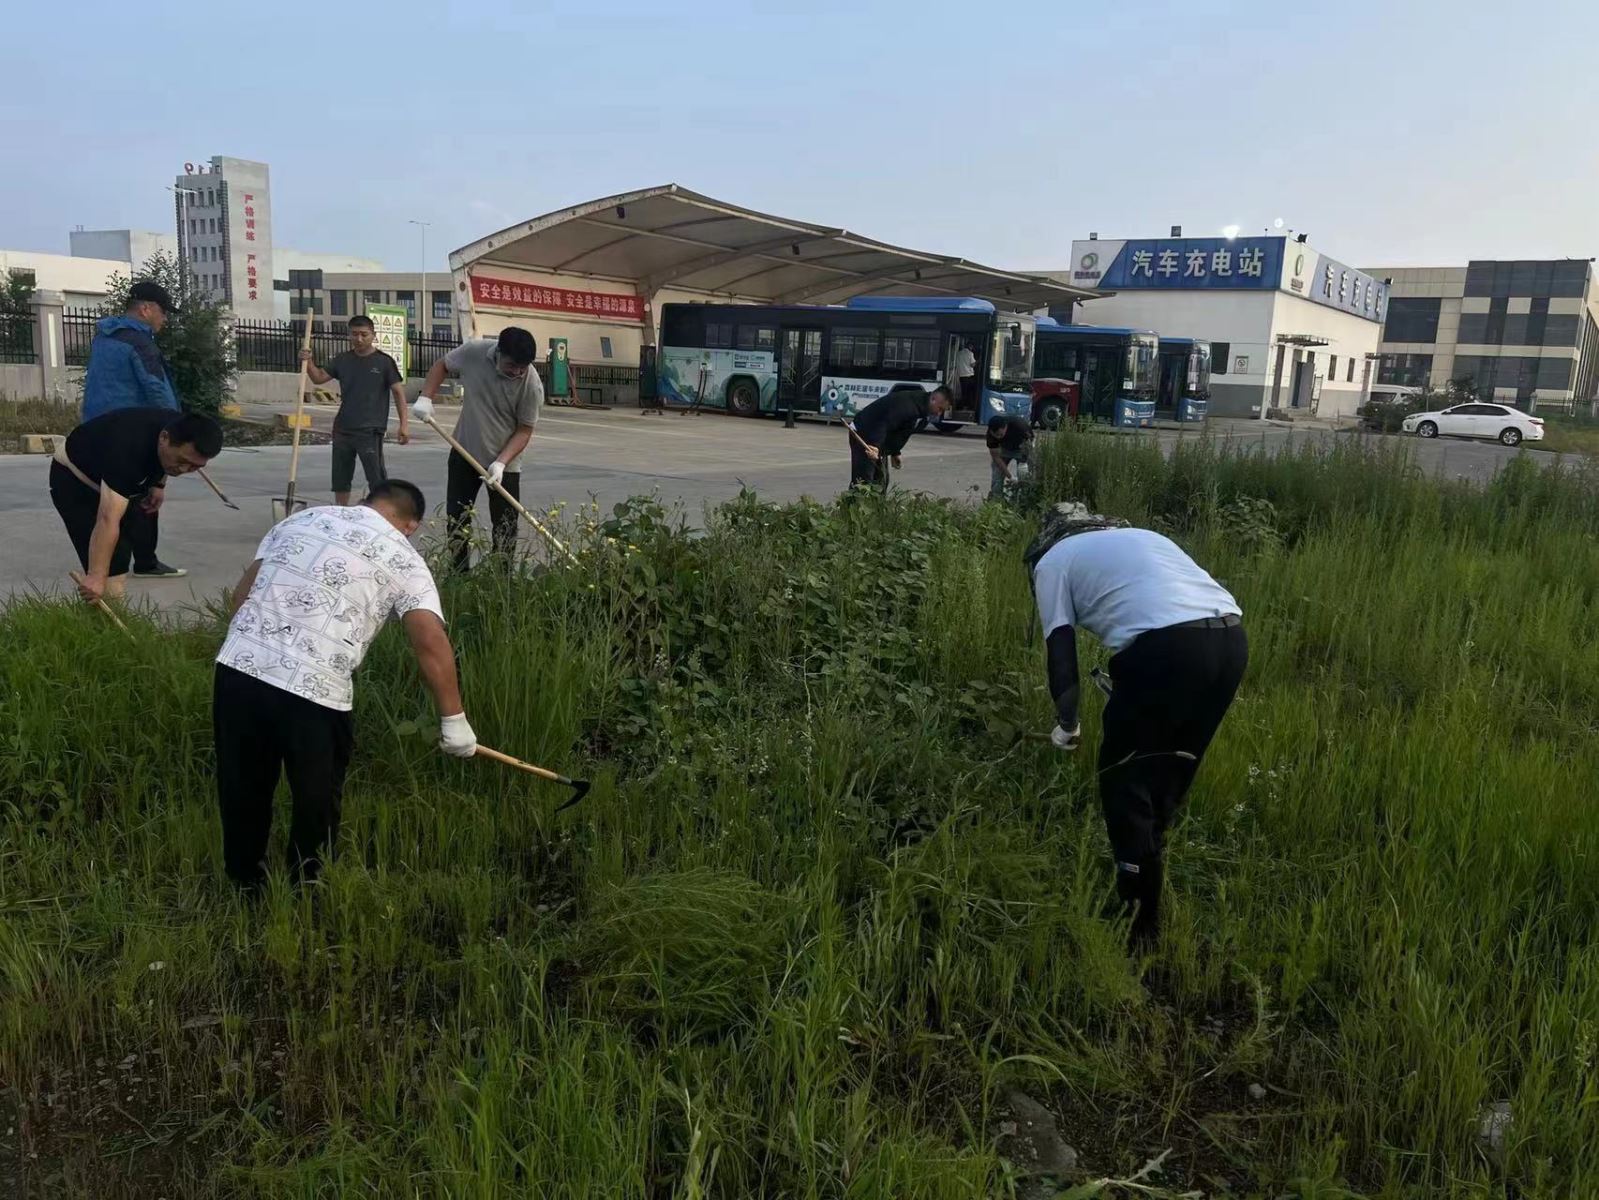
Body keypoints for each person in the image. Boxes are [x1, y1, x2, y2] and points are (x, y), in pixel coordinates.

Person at [213, 479, 479, 888]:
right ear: (411, 525)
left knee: (242, 786)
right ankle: (308, 888)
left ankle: (244, 884)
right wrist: (453, 719)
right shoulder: (404, 556)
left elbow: (242, 595)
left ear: (364, 502)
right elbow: (428, 639)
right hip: (316, 687)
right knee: (315, 796)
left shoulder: (301, 520)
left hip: (238, 669)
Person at [1026, 503, 1247, 949]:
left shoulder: (1053, 562)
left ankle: (1138, 932)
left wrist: (1066, 724)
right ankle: (1148, 883)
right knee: (1167, 773)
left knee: (1122, 780)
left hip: (1166, 648)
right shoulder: (1143, 536)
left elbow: (1061, 652)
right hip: (1232, 641)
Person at [49, 408, 222, 604]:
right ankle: (109, 621)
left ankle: (114, 605)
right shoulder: (128, 449)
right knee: (112, 564)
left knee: (131, 536)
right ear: (164, 438)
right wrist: (96, 575)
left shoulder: (180, 426)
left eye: (194, 467)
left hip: (116, 475)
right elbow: (108, 518)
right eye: (182, 461)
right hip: (75, 479)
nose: (183, 470)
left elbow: (166, 461)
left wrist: (158, 484)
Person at [412, 327, 543, 569]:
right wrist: (426, 397)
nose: (517, 372)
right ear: (498, 352)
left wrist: (501, 462)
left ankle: (500, 578)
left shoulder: (531, 384)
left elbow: (524, 430)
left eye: (522, 368)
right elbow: (442, 365)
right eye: (512, 365)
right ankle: (459, 573)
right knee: (457, 518)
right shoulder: (474, 352)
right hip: (464, 451)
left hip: (504, 464)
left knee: (505, 526)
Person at [81, 280, 187, 579]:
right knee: (146, 494)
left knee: (108, 497)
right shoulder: (141, 343)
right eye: (163, 312)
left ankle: (111, 557)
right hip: (133, 429)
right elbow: (158, 390)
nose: (165, 318)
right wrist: (175, 430)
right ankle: (143, 561)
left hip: (96, 428)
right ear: (146, 308)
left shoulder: (104, 337)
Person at [301, 314, 409, 506]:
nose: (359, 339)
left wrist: (404, 426)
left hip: (370, 429)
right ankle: (341, 512)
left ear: (373, 335)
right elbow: (318, 378)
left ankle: (380, 513)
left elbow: (399, 394)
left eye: (364, 334)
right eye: (354, 334)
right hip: (343, 427)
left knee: (376, 476)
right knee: (340, 478)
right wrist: (308, 362)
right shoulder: (342, 360)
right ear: (349, 335)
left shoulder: (384, 362)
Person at [848, 384, 952, 491]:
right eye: (940, 409)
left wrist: (895, 452)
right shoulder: (908, 406)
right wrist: (875, 447)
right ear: (934, 399)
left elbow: (900, 431)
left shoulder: (922, 408)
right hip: (864, 432)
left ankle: (876, 506)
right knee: (863, 482)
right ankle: (851, 505)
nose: (939, 413)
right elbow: (883, 422)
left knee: (880, 482)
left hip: (877, 438)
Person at [986, 412, 1032, 498]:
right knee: (997, 473)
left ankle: (1024, 499)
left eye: (1000, 435)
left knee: (1024, 473)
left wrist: (1024, 463)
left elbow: (1030, 447)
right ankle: (996, 499)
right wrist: (1010, 477)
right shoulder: (990, 436)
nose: (998, 437)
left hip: (1021, 448)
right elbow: (996, 458)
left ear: (1005, 427)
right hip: (1004, 450)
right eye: (995, 435)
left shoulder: (1020, 427)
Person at [949, 341, 977, 410]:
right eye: (972, 347)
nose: (972, 348)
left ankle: (962, 406)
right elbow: (972, 364)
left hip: (961, 376)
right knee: (970, 393)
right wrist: (977, 362)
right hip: (969, 376)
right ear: (970, 346)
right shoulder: (970, 354)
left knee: (964, 392)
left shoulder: (959, 353)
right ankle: (968, 406)